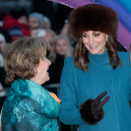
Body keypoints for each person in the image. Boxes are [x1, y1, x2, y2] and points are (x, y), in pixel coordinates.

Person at [59, 4, 131, 131]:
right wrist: (87, 113)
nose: (90, 41)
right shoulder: (72, 66)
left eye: (96, 34)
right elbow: (65, 114)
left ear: (107, 34)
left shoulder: (126, 61)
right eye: (85, 35)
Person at [1, 37, 61, 131]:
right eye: (44, 58)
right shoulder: (27, 102)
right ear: (32, 64)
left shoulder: (22, 95)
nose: (49, 62)